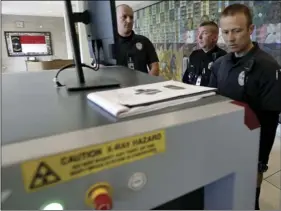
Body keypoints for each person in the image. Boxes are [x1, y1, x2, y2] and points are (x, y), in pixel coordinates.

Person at [208, 4, 281, 210]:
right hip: (222, 142)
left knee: (247, 199)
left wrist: (260, 163)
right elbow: (212, 105)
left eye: (237, 30)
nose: (230, 38)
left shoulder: (267, 67)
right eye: (225, 32)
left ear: (250, 30)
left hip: (251, 146)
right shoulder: (220, 65)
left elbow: (269, 120)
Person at [116, 4, 160, 76]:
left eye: (131, 17)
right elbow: (100, 69)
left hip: (142, 85)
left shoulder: (144, 41)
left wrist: (146, 83)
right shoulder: (108, 44)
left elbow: (155, 67)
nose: (129, 20)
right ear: (115, 19)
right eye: (124, 17)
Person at [182, 21, 226, 86]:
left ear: (215, 38)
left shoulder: (222, 58)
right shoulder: (194, 55)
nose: (199, 37)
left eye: (204, 33)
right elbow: (185, 80)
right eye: (198, 33)